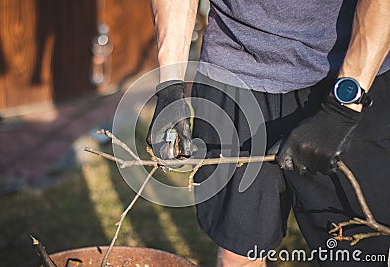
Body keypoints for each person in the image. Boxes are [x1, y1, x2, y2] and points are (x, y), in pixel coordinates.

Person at [147, 0, 390, 266]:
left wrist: (343, 108)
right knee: (239, 251)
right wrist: (170, 85)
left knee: (360, 253)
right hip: (234, 71)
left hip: (348, 72)